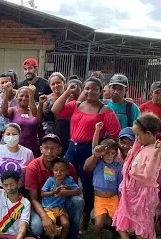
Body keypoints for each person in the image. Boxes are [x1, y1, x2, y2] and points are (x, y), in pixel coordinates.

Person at [51, 77, 121, 231]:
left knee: (88, 185)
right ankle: (63, 214)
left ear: (101, 91)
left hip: (89, 150)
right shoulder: (77, 105)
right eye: (87, 88)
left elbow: (115, 133)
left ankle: (85, 217)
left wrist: (101, 149)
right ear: (83, 90)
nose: (90, 92)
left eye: (95, 89)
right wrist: (68, 91)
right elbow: (55, 110)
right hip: (72, 147)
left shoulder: (105, 110)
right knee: (64, 178)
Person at [113, 114, 161, 239]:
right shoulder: (143, 147)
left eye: (138, 135)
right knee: (139, 230)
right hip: (136, 194)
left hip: (145, 196)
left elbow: (149, 175)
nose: (136, 139)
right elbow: (133, 158)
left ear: (150, 134)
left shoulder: (154, 151)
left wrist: (132, 172)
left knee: (147, 233)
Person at [24, 134, 83, 239]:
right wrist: (44, 217)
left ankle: (72, 238)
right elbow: (34, 198)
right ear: (41, 149)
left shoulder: (67, 166)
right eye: (46, 148)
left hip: (62, 204)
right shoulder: (33, 167)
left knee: (78, 201)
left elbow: (75, 190)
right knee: (37, 227)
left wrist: (66, 192)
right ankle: (44, 238)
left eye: (54, 148)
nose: (49, 152)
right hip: (41, 206)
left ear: (60, 150)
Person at [84, 123, 125, 239]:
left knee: (118, 221)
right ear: (102, 153)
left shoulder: (118, 166)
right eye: (107, 153)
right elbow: (94, 147)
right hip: (100, 198)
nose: (109, 156)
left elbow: (120, 185)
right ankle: (97, 237)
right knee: (99, 222)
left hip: (113, 198)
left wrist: (121, 199)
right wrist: (97, 130)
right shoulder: (98, 162)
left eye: (113, 153)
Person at [41, 157, 81, 239]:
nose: (58, 173)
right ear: (52, 171)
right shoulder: (50, 181)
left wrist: (65, 192)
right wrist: (52, 192)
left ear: (67, 171)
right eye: (56, 170)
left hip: (60, 208)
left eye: (62, 170)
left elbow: (78, 191)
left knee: (66, 224)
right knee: (51, 223)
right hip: (49, 208)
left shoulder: (69, 180)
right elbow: (42, 193)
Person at [39, 75, 81, 155]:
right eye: (53, 84)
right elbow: (43, 117)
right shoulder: (50, 101)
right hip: (55, 137)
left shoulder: (76, 100)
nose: (56, 85)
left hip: (74, 137)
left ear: (64, 83)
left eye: (58, 82)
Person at [1, 86, 39, 156]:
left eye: (27, 96)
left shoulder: (35, 109)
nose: (24, 98)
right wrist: (6, 94)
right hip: (15, 146)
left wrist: (31, 95)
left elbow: (36, 115)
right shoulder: (13, 110)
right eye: (21, 96)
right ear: (17, 97)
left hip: (32, 146)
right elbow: (4, 112)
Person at [0, 71, 18, 139]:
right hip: (7, 132)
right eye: (2, 83)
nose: (4, 85)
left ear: (13, 84)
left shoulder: (20, 96)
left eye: (7, 82)